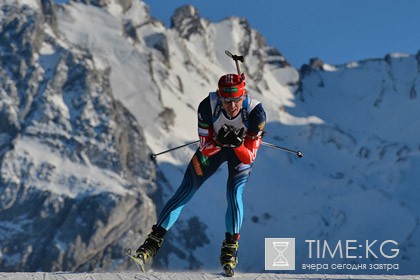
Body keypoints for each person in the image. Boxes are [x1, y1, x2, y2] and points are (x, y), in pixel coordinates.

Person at [134, 73, 266, 273]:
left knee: (234, 193)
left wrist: (237, 144)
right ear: (219, 96)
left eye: (236, 100)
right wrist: (221, 141)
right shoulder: (208, 105)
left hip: (240, 153)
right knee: (186, 189)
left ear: (244, 95)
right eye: (226, 100)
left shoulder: (256, 113)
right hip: (213, 150)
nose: (231, 106)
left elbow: (249, 157)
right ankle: (151, 243)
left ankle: (230, 248)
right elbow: (204, 147)